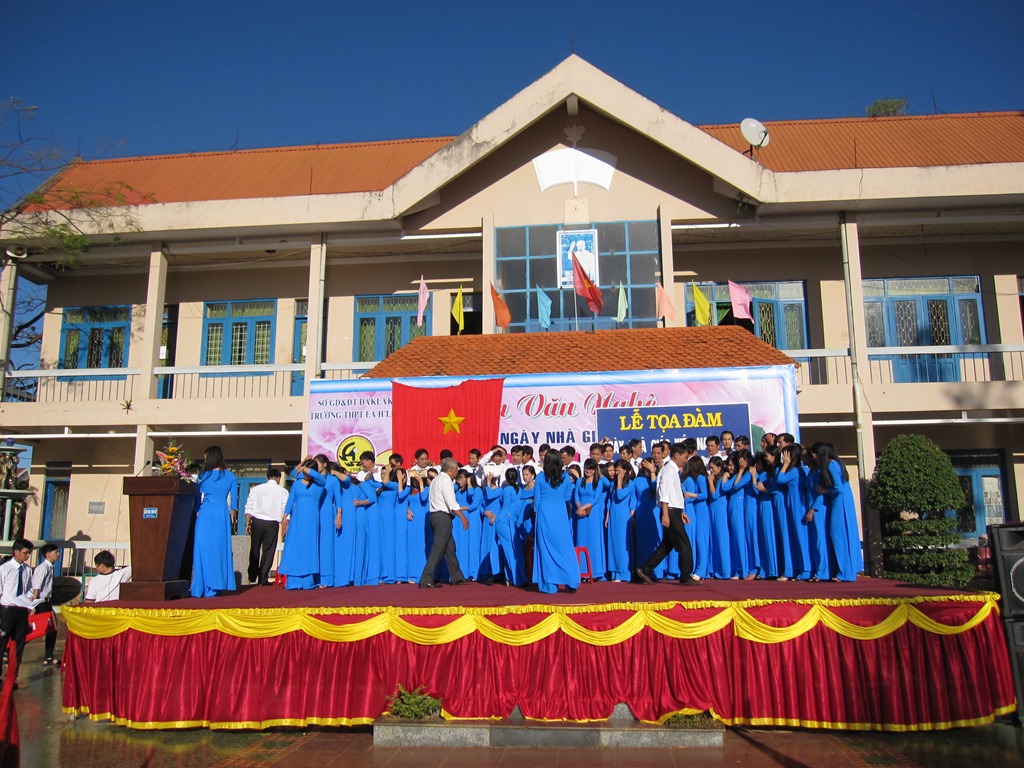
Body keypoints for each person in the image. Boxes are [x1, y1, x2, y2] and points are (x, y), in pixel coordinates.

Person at [635, 443, 700, 586]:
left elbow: (673, 494)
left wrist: (681, 512)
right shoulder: (670, 470)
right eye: (685, 457)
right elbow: (664, 493)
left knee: (667, 545)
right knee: (685, 545)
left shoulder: (671, 470)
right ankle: (686, 576)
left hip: (674, 511)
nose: (686, 460)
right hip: (670, 512)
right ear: (676, 455)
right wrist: (665, 514)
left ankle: (645, 569)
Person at [191, 445, 237, 598]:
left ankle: (200, 587)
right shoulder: (230, 476)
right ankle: (216, 584)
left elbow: (197, 497)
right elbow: (234, 500)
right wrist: (233, 513)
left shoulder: (203, 476)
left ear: (210, 458)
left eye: (205, 458)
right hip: (221, 513)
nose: (204, 460)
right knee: (219, 548)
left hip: (205, 513)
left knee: (202, 548)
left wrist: (196, 510)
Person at [814, 442, 864, 582]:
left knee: (838, 534)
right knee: (844, 534)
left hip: (840, 501)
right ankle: (846, 571)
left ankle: (845, 572)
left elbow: (838, 488)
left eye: (815, 454)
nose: (814, 457)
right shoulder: (838, 463)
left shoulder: (831, 465)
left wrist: (825, 490)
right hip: (844, 500)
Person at [532, 450, 579, 594]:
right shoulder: (566, 478)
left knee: (546, 549)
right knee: (565, 547)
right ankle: (572, 580)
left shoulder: (540, 478)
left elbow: (536, 501)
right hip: (560, 514)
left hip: (545, 513)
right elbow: (567, 496)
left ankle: (550, 584)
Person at [419, 458, 470, 588]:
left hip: (436, 516)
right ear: (451, 469)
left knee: (450, 548)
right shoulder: (446, 481)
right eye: (456, 470)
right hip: (442, 517)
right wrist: (463, 517)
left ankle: (457, 577)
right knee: (438, 548)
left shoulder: (436, 480)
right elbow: (451, 503)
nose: (457, 472)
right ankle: (426, 579)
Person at [278, 457, 324, 590]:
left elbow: (319, 477)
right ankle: (294, 580)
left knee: (308, 546)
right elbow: (291, 500)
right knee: (295, 546)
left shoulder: (319, 484)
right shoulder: (297, 483)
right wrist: (285, 516)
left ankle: (307, 580)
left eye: (307, 471)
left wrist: (306, 469)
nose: (305, 474)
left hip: (311, 519)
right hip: (297, 519)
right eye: (304, 472)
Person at [244, 467, 290, 586]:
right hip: (272, 524)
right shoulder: (283, 491)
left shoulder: (256, 489)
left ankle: (252, 574)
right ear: (279, 478)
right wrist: (285, 526)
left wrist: (247, 523)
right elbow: (285, 510)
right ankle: (263, 578)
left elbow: (248, 507)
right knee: (268, 551)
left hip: (257, 521)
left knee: (255, 548)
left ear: (267, 477)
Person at [572, 458, 611, 580]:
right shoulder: (579, 481)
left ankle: (595, 572)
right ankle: (582, 571)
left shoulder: (598, 482)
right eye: (586, 468)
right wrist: (579, 508)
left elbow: (596, 499)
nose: (588, 471)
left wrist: (583, 508)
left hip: (592, 513)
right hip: (581, 514)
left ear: (595, 470)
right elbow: (576, 496)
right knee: (581, 540)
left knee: (594, 541)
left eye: (591, 468)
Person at [0, 539, 35, 673]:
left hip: (22, 610)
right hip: (7, 610)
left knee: (19, 644)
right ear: (16, 552)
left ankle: (13, 675)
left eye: (29, 553)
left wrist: (31, 600)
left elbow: (29, 589)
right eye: (25, 553)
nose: (28, 556)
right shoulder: (5, 569)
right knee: (2, 642)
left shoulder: (27, 570)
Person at [606, 459, 637, 582]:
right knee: (613, 543)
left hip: (624, 515)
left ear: (625, 471)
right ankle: (614, 572)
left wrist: (619, 480)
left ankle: (624, 572)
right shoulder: (612, 484)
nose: (616, 473)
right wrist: (607, 516)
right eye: (615, 470)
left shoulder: (630, 484)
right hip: (613, 514)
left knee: (622, 543)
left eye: (618, 471)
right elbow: (610, 500)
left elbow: (620, 496)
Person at [31, 543, 61, 665]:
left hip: (47, 602)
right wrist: (33, 606)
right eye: (56, 552)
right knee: (34, 629)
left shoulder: (50, 567)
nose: (58, 554)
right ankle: (8, 650)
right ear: (48, 555)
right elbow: (36, 588)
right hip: (40, 602)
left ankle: (48, 656)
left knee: (52, 629)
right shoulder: (42, 568)